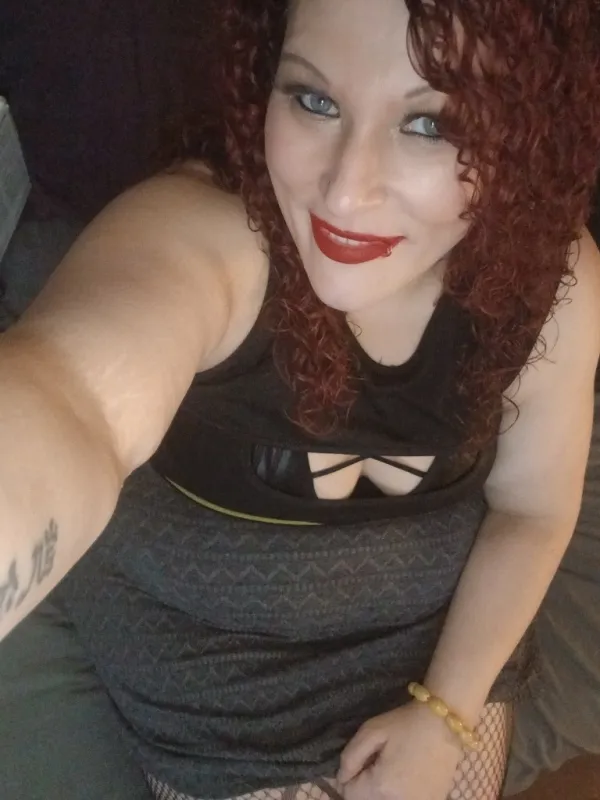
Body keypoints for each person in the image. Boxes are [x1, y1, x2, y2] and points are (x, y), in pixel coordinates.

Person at [0, 1, 599, 799]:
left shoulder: (549, 281)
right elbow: (74, 398)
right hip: (217, 678)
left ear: (521, 127)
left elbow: (533, 509)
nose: (344, 194)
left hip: (428, 654)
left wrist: (446, 712)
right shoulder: (203, 234)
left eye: (431, 125)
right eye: (315, 99)